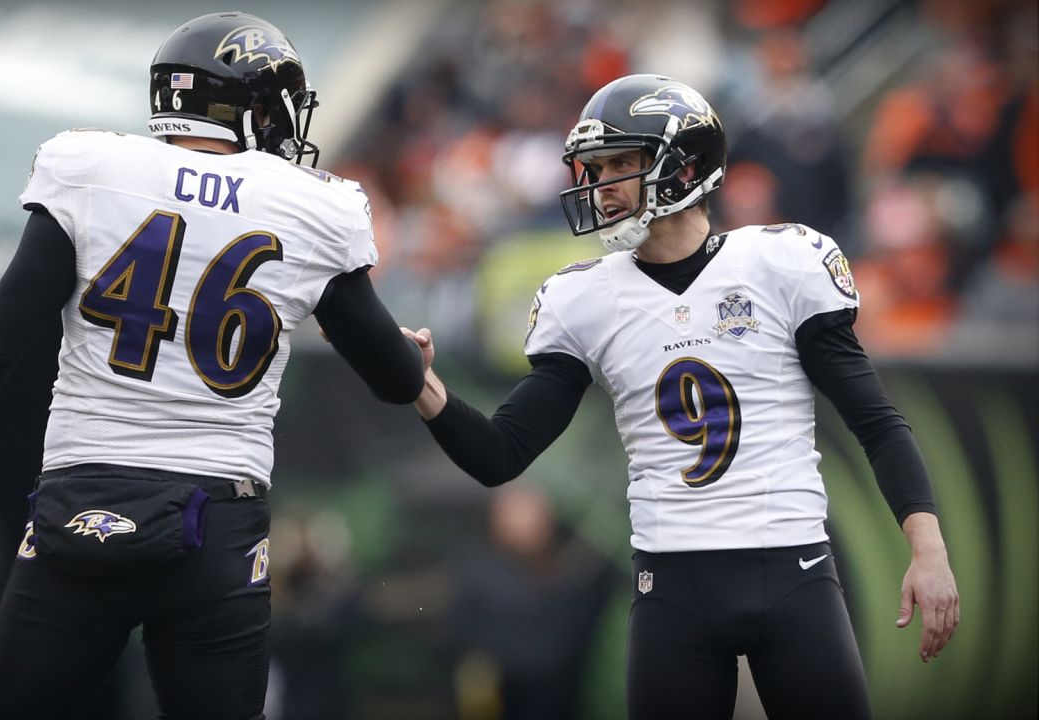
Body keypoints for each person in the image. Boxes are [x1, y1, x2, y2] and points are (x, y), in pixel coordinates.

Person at [0, 11, 425, 720]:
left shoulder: (95, 170)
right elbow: (396, 380)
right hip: (217, 526)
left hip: (81, 507)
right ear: (249, 107)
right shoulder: (308, 206)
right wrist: (411, 362)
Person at [402, 74, 960, 720]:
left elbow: (878, 423)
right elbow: (501, 453)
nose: (600, 184)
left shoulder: (780, 264)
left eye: (619, 164)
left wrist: (930, 550)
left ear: (682, 166)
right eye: (595, 166)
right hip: (671, 588)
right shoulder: (586, 299)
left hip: (793, 571)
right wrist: (419, 384)